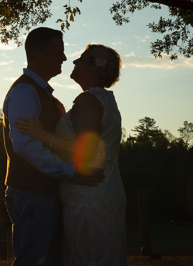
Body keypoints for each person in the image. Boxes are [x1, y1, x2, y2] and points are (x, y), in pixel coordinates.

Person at [16, 44, 127, 265]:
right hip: (101, 191)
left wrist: (43, 135)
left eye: (82, 59)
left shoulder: (88, 101)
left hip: (89, 198)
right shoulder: (105, 100)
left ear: (95, 68)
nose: (74, 62)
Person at [3, 27, 105, 266]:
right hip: (30, 193)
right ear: (39, 54)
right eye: (58, 52)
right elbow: (26, 146)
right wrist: (71, 172)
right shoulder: (25, 92)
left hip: (41, 192)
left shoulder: (41, 93)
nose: (64, 58)